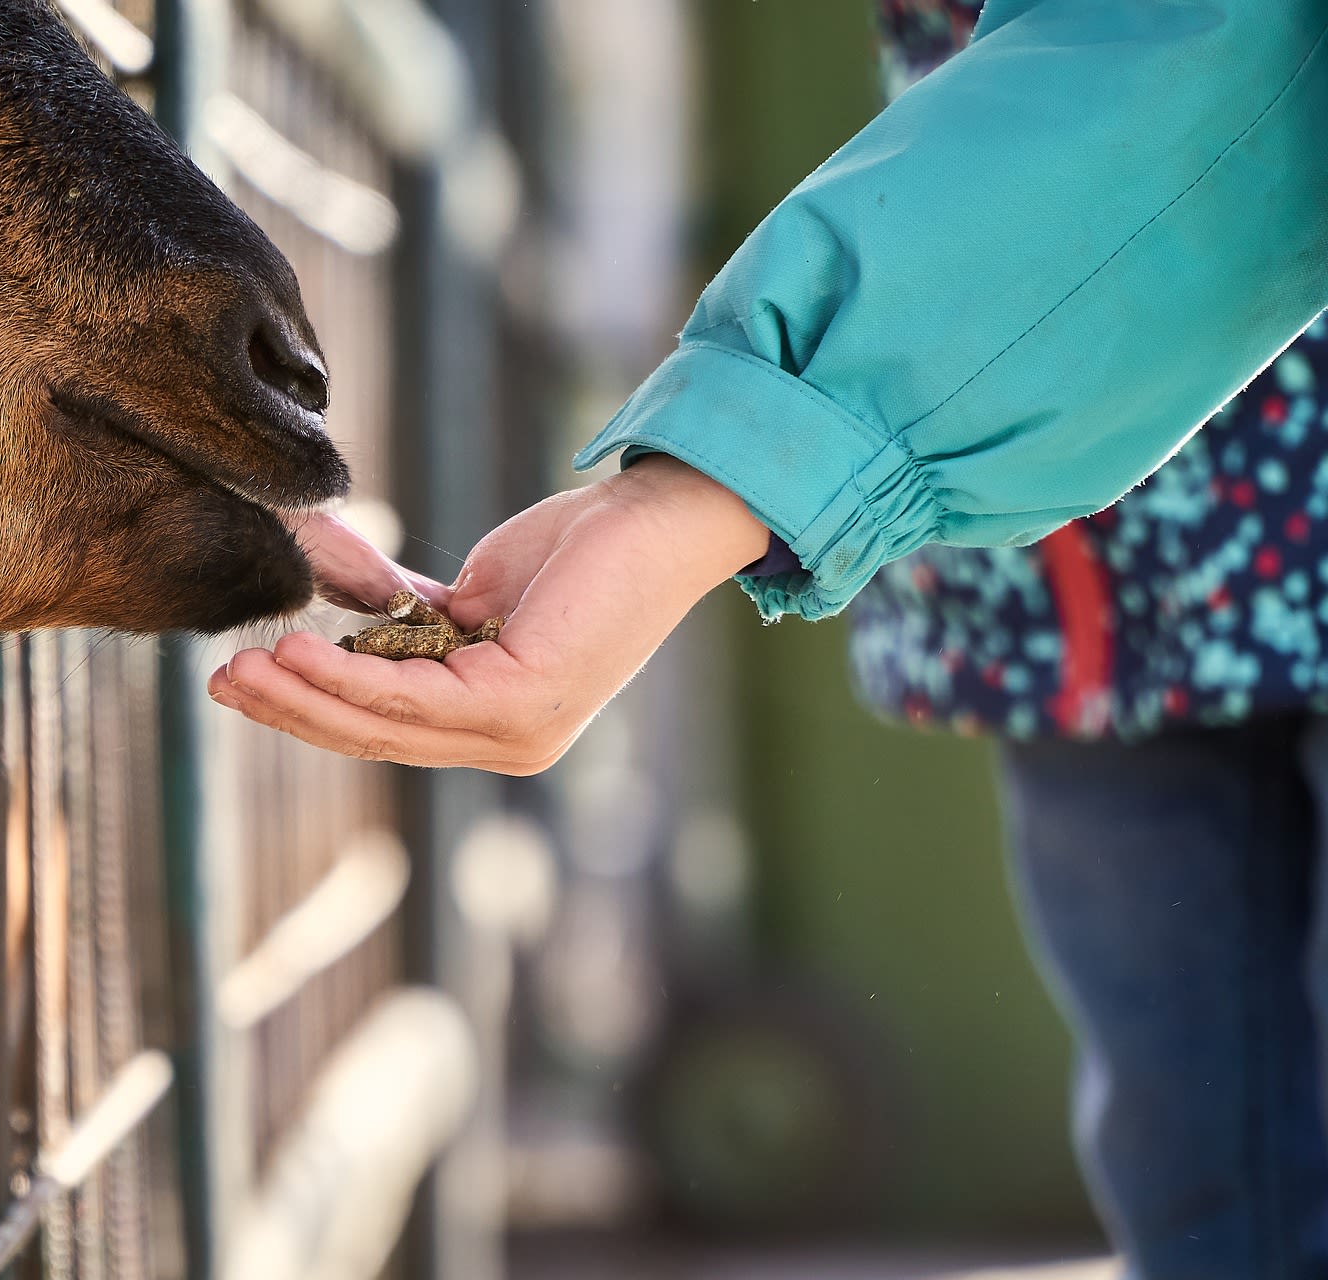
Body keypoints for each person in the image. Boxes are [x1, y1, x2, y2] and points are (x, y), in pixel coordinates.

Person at [210, 0, 1328, 1273]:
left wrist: (719, 482)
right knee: (1194, 1174)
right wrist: (696, 481)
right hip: (1086, 588)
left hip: (1084, 496)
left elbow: (1213, 47)